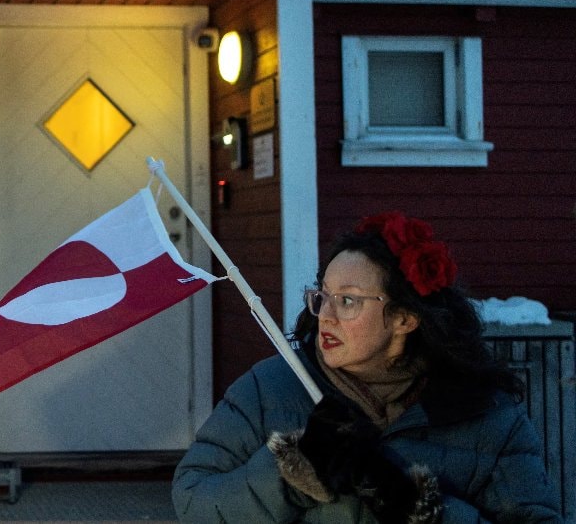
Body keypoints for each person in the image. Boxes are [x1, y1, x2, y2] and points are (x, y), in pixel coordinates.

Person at [171, 211, 562, 523]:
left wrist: (418, 508)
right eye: (322, 295)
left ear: (405, 318)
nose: (325, 315)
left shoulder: (485, 416)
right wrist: (291, 477)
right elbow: (193, 500)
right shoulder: (270, 388)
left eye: (348, 301)